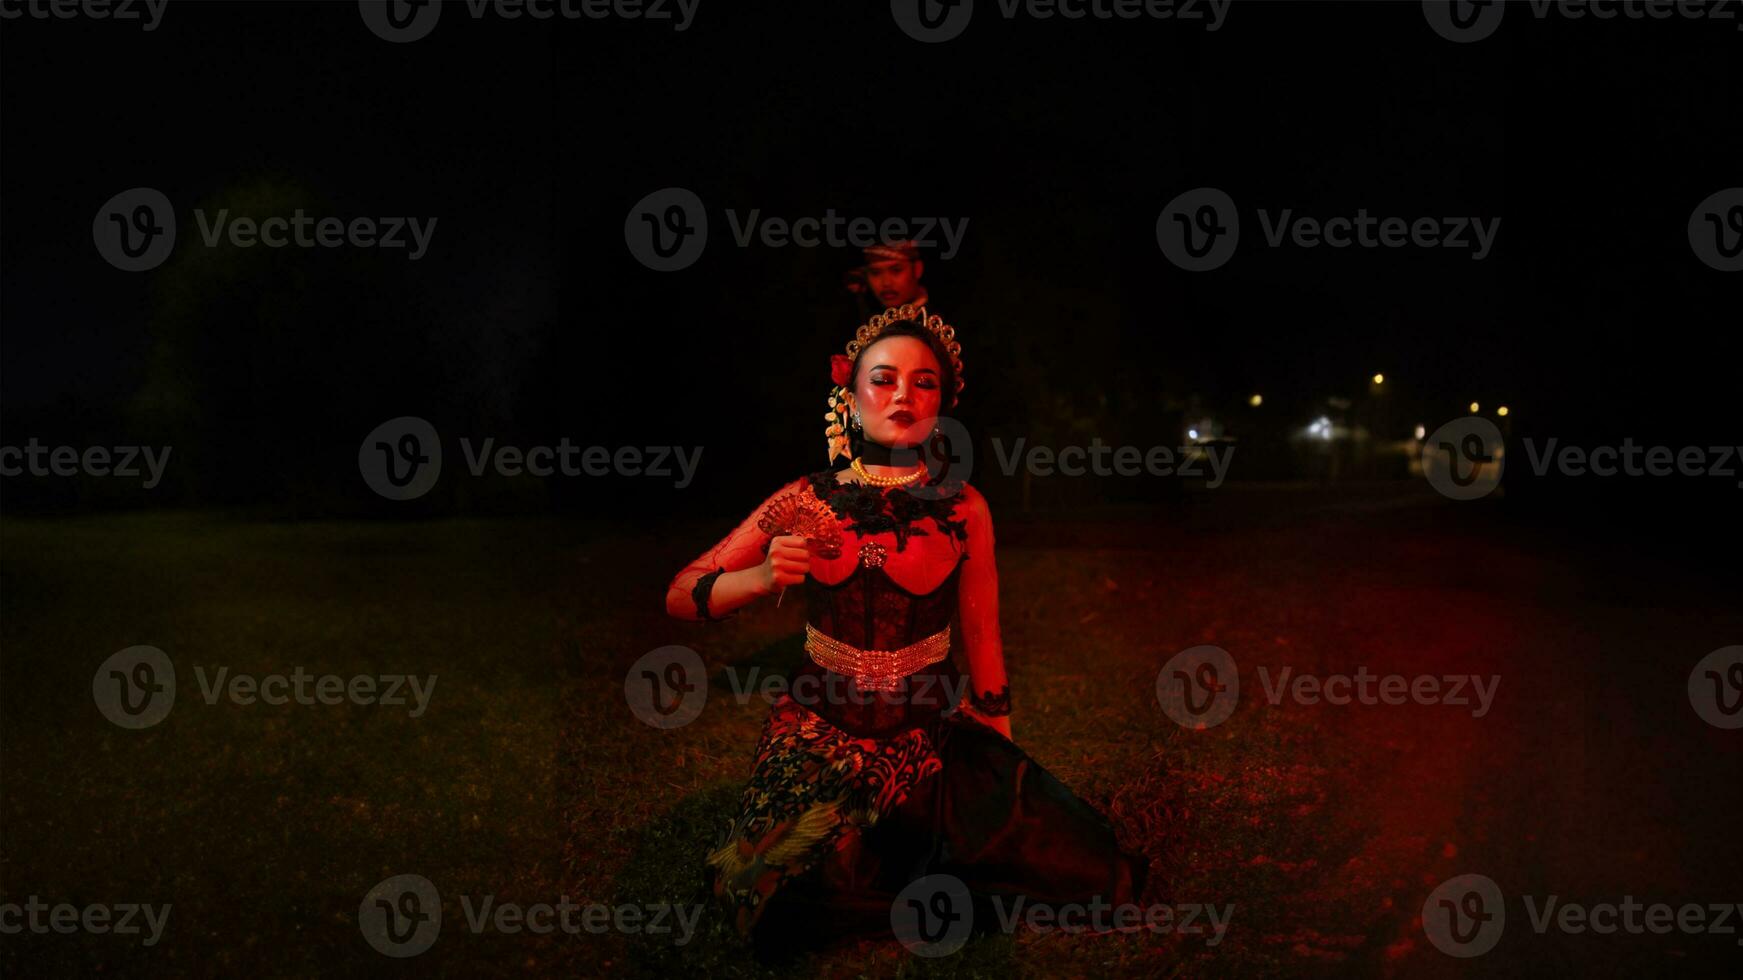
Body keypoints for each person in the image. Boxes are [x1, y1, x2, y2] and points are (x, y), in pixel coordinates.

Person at [665, 305, 1147, 958]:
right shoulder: (804, 498)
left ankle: (904, 853)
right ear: (849, 395)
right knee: (758, 893)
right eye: (883, 379)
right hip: (816, 739)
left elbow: (983, 634)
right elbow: (680, 595)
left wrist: (1002, 757)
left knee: (1085, 872)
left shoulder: (964, 508)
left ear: (943, 403)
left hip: (928, 737)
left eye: (923, 383)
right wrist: (753, 582)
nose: (901, 396)